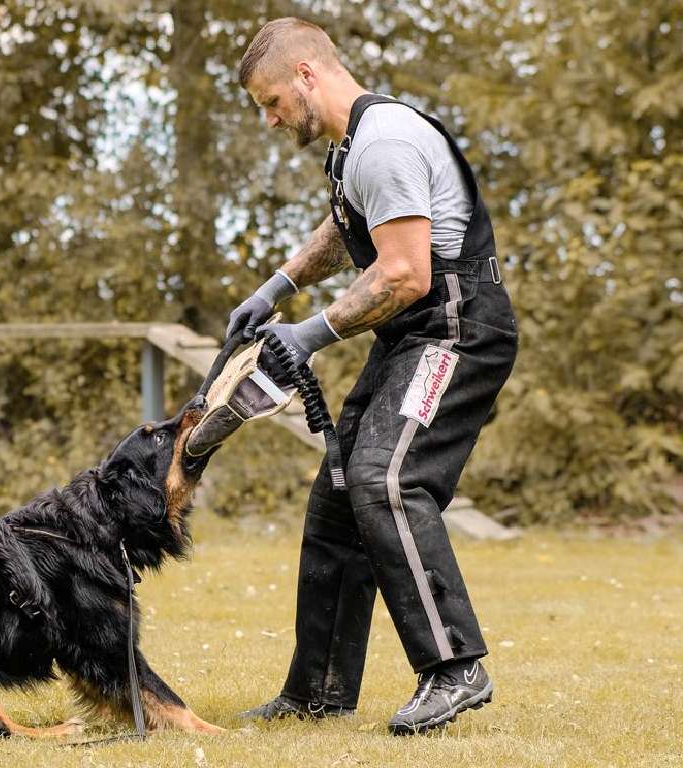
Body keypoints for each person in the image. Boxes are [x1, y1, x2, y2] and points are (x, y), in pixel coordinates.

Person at [225, 17, 518, 735]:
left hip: (457, 330)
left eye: (271, 103)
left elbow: (405, 273)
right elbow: (344, 229)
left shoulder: (384, 142)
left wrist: (309, 333)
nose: (270, 120)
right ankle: (317, 690)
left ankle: (455, 668)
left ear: (306, 76)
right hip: (412, 333)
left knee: (387, 478)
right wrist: (276, 287)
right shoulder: (352, 147)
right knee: (338, 492)